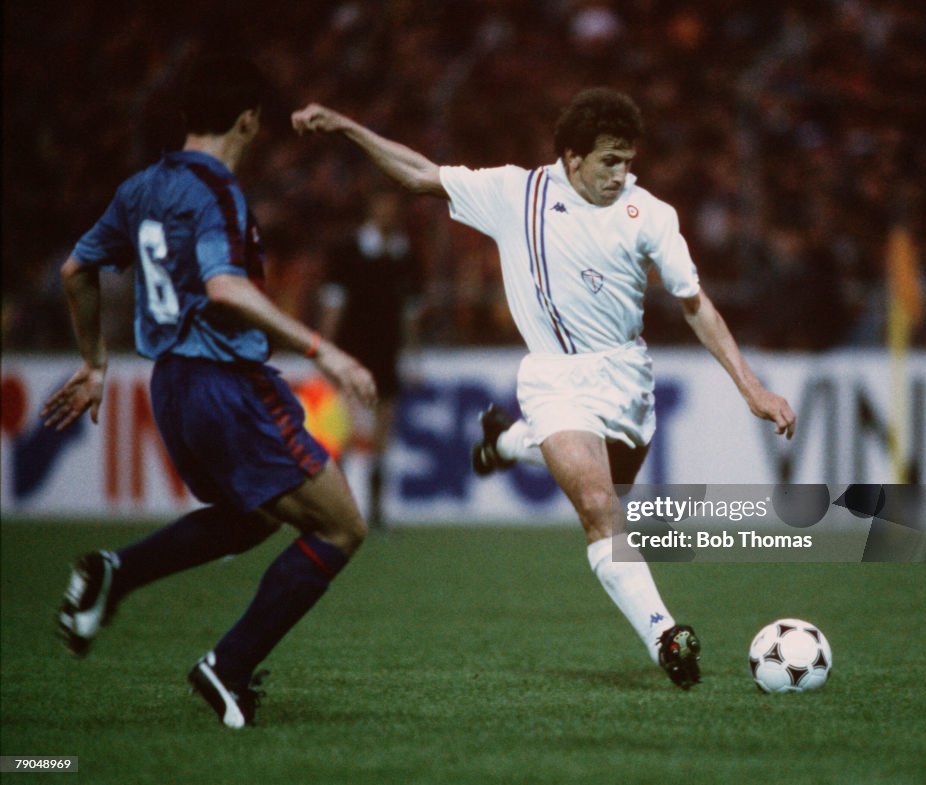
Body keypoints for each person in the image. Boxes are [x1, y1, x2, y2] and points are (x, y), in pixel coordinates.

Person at [291, 87, 796, 690]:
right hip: (555, 376)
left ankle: (506, 443)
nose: (621, 174)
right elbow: (418, 175)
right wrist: (348, 126)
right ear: (572, 156)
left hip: (627, 382)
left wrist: (751, 388)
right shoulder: (518, 193)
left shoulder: (651, 215)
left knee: (611, 492)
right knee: (597, 507)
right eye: (610, 160)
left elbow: (696, 307)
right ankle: (666, 636)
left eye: (629, 161)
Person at [44, 55, 377, 728]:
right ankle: (228, 665)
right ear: (249, 120)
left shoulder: (141, 187)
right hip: (228, 383)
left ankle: (117, 571)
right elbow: (225, 287)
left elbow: (77, 266)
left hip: (171, 388)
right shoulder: (217, 189)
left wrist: (95, 362)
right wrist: (325, 350)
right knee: (341, 525)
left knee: (252, 515)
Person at [317, 190, 420, 528]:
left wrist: (412, 355)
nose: (389, 212)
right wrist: (325, 351)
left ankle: (375, 512)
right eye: (384, 203)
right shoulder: (347, 252)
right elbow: (334, 306)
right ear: (372, 207)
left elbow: (410, 314)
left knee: (381, 436)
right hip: (352, 353)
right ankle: (339, 509)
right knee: (343, 432)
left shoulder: (406, 256)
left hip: (387, 353)